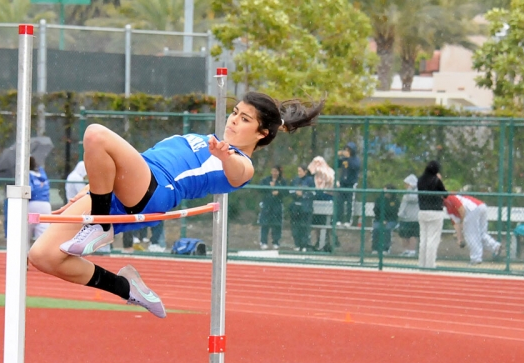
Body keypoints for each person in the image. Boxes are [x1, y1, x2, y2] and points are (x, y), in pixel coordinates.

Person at [28, 92, 324, 318]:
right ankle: (127, 287)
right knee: (41, 256)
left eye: (245, 119)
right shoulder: (203, 139)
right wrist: (86, 194)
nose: (233, 120)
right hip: (119, 186)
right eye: (235, 113)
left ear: (263, 134)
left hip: (154, 191)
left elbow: (236, 172)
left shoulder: (242, 163)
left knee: (95, 134)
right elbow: (124, 162)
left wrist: (225, 156)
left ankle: (101, 224)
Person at [443, 194, 501, 265]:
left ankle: (476, 259)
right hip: (481, 207)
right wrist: (459, 239)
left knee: (471, 235)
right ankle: (496, 246)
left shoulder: (449, 198)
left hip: (472, 209)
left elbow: (462, 209)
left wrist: (463, 223)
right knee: (481, 234)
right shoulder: (448, 209)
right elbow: (456, 224)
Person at [417, 160, 448, 268]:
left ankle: (422, 263)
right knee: (432, 239)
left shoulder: (420, 180)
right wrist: (439, 180)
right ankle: (430, 265)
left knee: (423, 239)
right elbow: (445, 194)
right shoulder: (436, 180)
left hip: (422, 211)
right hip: (435, 211)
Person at [307, 156, 335, 251]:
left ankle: (327, 243)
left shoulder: (329, 172)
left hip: (326, 200)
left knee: (326, 223)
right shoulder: (311, 175)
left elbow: (331, 182)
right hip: (315, 201)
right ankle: (318, 241)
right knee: (316, 224)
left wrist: (322, 172)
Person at [258, 165, 287, 250]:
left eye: (276, 171)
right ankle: (263, 242)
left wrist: (278, 191)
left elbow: (286, 192)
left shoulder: (282, 181)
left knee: (277, 224)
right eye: (273, 171)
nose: (274, 173)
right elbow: (260, 189)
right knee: (264, 224)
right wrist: (269, 188)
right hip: (267, 204)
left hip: (277, 205)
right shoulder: (266, 180)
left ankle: (276, 242)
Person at [289, 165, 314, 251]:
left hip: (305, 208)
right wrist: (296, 194)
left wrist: (303, 195)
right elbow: (290, 191)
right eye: (298, 171)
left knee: (304, 227)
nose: (299, 173)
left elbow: (313, 193)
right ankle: (297, 244)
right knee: (295, 226)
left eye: (300, 171)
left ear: (305, 171)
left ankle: (304, 245)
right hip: (296, 208)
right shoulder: (295, 180)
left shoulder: (310, 180)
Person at [335, 142, 360, 226]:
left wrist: (349, 158)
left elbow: (355, 167)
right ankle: (339, 220)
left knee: (350, 203)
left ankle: (348, 221)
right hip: (343, 183)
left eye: (348, 150)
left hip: (351, 184)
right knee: (340, 202)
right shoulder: (344, 159)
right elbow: (336, 164)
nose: (346, 151)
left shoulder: (355, 159)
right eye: (346, 149)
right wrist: (338, 156)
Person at [27, 156, 52, 243]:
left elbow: (30, 190)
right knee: (42, 233)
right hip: (46, 205)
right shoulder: (42, 172)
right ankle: (42, 253)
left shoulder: (27, 175)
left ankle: (24, 252)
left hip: (33, 205)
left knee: (27, 230)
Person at [371, 184, 399, 254]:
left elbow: (394, 212)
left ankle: (385, 249)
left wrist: (387, 220)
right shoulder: (379, 199)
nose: (385, 193)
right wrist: (382, 220)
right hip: (379, 220)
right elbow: (376, 211)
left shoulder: (395, 200)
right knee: (376, 228)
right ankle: (375, 248)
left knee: (387, 229)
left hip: (391, 221)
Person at [397, 174, 420, 257]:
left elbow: (412, 199)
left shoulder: (417, 190)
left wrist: (410, 188)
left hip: (413, 218)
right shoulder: (407, 191)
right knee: (404, 234)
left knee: (412, 235)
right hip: (404, 218)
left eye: (407, 183)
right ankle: (406, 250)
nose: (405, 185)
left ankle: (412, 250)